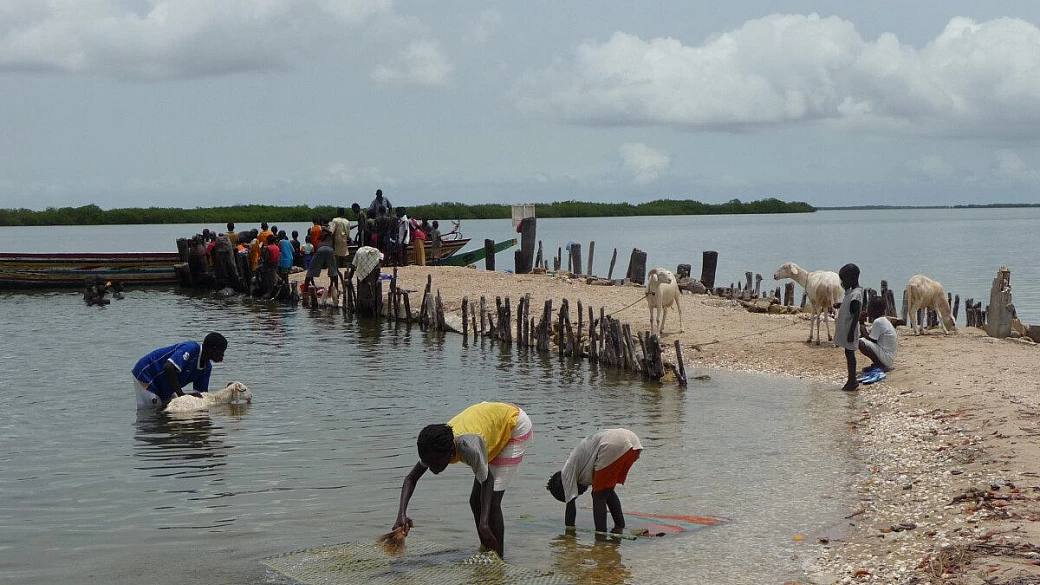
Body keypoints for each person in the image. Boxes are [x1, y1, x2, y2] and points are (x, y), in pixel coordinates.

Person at [392, 401, 533, 558]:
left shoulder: (468, 448)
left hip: (514, 426)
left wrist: (484, 523)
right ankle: (486, 548)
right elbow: (411, 479)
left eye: (433, 464)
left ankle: (499, 558)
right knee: (475, 501)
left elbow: (488, 481)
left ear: (448, 453)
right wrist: (401, 514)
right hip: (488, 428)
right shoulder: (434, 446)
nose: (430, 468)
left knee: (492, 502)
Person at [546, 428, 642, 534]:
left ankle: (600, 537)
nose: (580, 493)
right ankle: (620, 526)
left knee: (598, 495)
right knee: (607, 491)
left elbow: (570, 509)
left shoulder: (566, 475)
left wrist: (569, 533)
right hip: (633, 443)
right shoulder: (580, 466)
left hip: (613, 444)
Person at [132, 332, 227, 409]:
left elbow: (201, 396)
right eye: (221, 352)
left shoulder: (206, 368)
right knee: (153, 408)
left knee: (168, 409)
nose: (222, 357)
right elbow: (168, 367)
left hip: (165, 385)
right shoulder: (191, 348)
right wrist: (181, 394)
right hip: (147, 375)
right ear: (213, 349)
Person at [835, 263, 864, 392]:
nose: (842, 283)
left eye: (843, 280)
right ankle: (851, 379)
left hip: (850, 329)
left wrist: (852, 331)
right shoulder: (851, 293)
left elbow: (856, 313)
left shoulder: (856, 294)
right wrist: (841, 304)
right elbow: (850, 306)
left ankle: (852, 381)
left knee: (850, 353)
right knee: (848, 352)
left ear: (852, 279)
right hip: (847, 328)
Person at [859, 297, 897, 373]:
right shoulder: (883, 320)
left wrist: (861, 323)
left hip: (886, 357)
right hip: (889, 357)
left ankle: (880, 365)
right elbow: (866, 333)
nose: (868, 311)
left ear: (874, 309)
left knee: (860, 343)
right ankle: (878, 364)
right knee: (861, 339)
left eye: (869, 308)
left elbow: (872, 339)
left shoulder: (878, 321)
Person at [303, 224, 339, 292]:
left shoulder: (317, 232)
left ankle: (305, 290)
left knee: (310, 270)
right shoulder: (330, 234)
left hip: (320, 248)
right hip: (330, 248)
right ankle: (336, 289)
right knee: (334, 271)